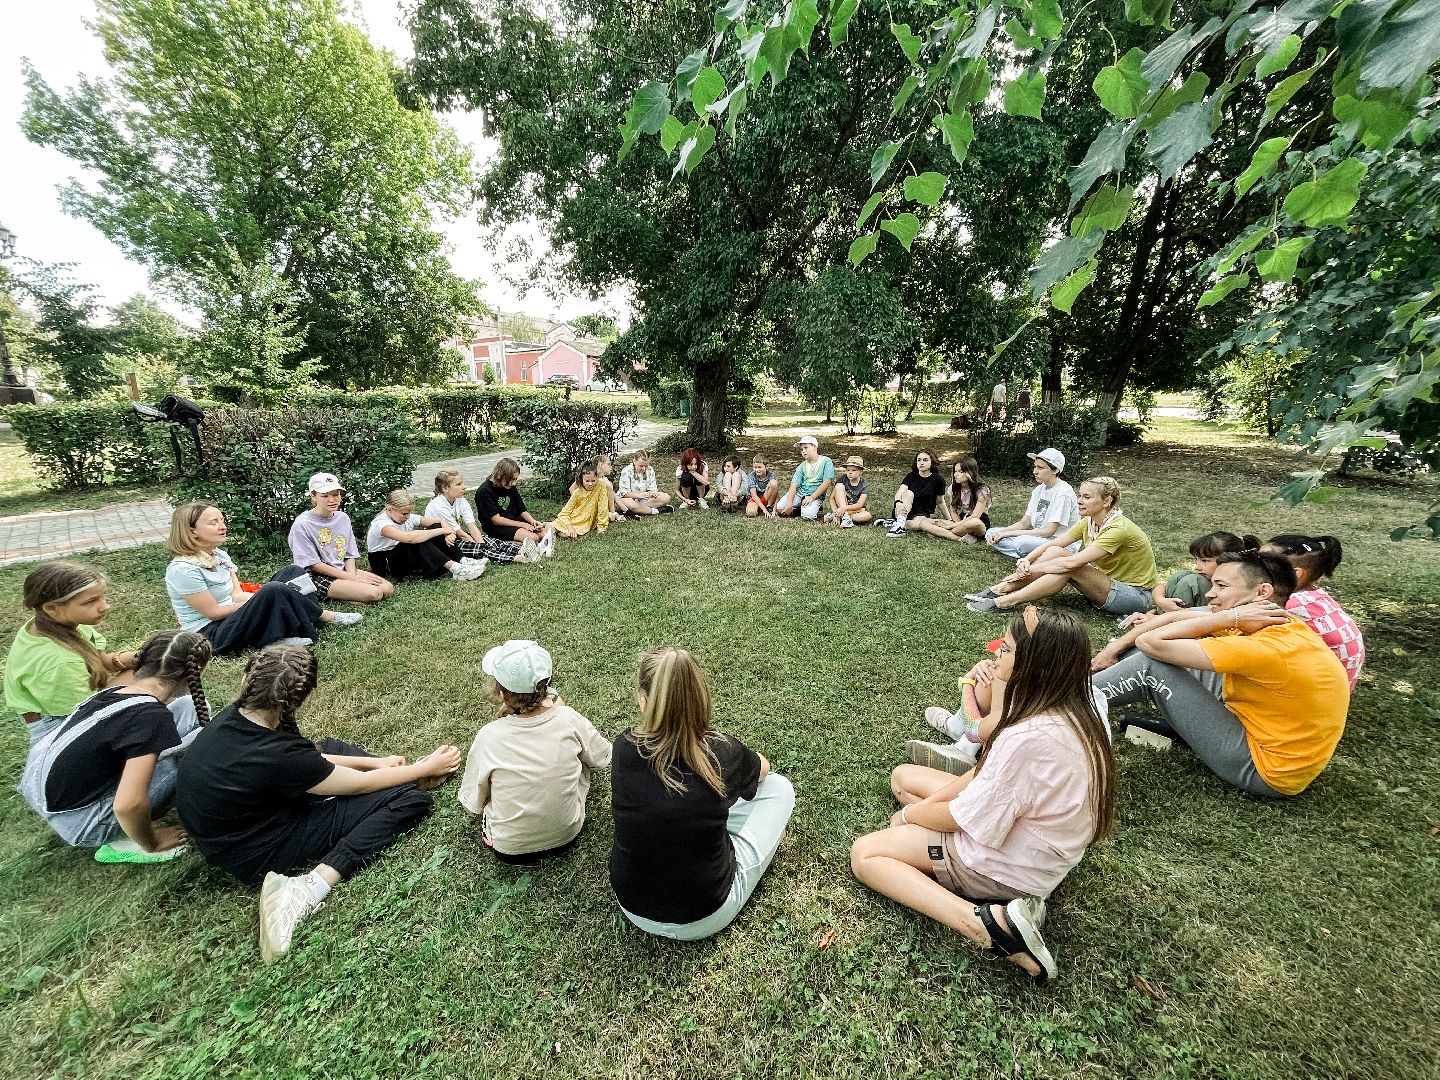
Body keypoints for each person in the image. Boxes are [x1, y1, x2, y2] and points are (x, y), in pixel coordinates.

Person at [850, 607, 1116, 984]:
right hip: (1041, 846)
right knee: (904, 778)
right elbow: (981, 772)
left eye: (1005, 650)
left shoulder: (1029, 737)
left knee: (867, 852)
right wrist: (925, 807)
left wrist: (912, 817)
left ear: (1033, 663)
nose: (996, 655)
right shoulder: (1070, 710)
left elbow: (963, 818)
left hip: (1010, 867)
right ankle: (1009, 907)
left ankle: (986, 925)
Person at [175, 645, 462, 963]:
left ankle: (398, 779)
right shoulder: (278, 755)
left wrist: (378, 763)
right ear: (298, 698)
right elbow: (356, 785)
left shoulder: (235, 717)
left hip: (232, 829)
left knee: (333, 750)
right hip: (258, 849)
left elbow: (309, 759)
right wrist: (424, 768)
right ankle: (309, 887)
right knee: (410, 801)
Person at [1091, 552, 1349, 797]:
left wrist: (1229, 617)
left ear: (1262, 592)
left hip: (1263, 770)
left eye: (1221, 586)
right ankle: (1077, 689)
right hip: (1251, 726)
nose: (1209, 594)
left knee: (1152, 665)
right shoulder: (1273, 622)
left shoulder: (1266, 646)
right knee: (1157, 654)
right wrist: (1115, 649)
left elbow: (1150, 642)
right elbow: (1173, 620)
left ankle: (1063, 695)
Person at [609, 647, 796, 940]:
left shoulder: (622, 747)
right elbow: (763, 770)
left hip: (632, 905)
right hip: (706, 913)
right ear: (700, 698)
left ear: (644, 700)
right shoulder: (723, 752)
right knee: (780, 789)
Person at [20, 629, 212, 864]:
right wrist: (152, 842)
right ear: (196, 671)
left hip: (45, 793)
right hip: (83, 823)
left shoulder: (116, 690)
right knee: (189, 759)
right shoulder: (151, 718)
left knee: (187, 708)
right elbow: (128, 804)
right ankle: (126, 840)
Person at [458, 640, 612, 863]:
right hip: (567, 835)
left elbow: (473, 802)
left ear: (501, 694)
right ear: (547, 687)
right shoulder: (568, 718)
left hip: (508, 849)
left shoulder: (488, 736)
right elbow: (603, 756)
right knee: (581, 763)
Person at [166, 503, 361, 655]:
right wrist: (260, 600)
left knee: (293, 572)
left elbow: (236, 594)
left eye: (222, 520)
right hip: (212, 633)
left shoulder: (219, 555)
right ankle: (320, 616)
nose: (222, 526)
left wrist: (257, 599)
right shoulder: (183, 569)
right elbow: (214, 613)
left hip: (233, 616)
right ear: (191, 531)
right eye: (213, 522)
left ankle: (296, 624)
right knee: (273, 589)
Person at [909, 633, 1111, 775]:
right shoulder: (1068, 691)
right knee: (995, 673)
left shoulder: (1034, 711)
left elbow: (974, 729)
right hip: (1071, 802)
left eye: (1004, 649)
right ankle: (956, 729)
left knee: (904, 779)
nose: (996, 653)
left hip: (1028, 798)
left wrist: (970, 680)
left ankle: (964, 749)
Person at [967, 477, 1157, 619]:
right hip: (1109, 584)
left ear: (1106, 502)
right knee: (1055, 552)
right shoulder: (1089, 522)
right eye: (1079, 495)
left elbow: (1072, 563)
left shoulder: (1118, 529)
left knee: (1070, 567)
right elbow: (1053, 544)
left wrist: (1031, 569)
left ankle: (1004, 602)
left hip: (1135, 597)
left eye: (1087, 497)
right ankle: (1001, 589)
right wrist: (1026, 560)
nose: (1079, 500)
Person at [6, 562, 140, 746]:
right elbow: (93, 713)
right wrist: (150, 672)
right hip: (61, 728)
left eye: (102, 597)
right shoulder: (58, 662)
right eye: (91, 601)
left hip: (81, 709)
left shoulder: (52, 623)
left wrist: (140, 657)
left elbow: (102, 660)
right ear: (52, 608)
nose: (105, 606)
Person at [1261, 534, 1365, 688]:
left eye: (1262, 562)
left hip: (1314, 692)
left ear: (1296, 573)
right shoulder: (1313, 596)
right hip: (1332, 690)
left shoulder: (1291, 605)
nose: (1252, 566)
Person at [288, 472, 394, 604]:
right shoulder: (302, 523)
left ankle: (347, 594)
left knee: (387, 589)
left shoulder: (342, 518)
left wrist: (352, 575)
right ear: (313, 496)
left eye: (335, 494)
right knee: (375, 593)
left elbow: (349, 553)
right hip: (315, 575)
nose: (332, 500)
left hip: (341, 569)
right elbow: (313, 564)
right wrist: (351, 578)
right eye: (325, 496)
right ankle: (335, 597)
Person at [365, 490, 487, 582]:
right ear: (389, 509)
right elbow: (409, 538)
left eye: (409, 513)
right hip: (385, 564)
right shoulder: (381, 524)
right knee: (414, 540)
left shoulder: (406, 517)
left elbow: (438, 522)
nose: (408, 516)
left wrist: (447, 532)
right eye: (404, 513)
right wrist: (442, 530)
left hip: (401, 556)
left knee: (433, 528)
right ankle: (456, 568)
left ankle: (462, 560)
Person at [983, 448, 1080, 559]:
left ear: (1055, 470)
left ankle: (1034, 554)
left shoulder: (1063, 493)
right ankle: (1030, 555)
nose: (1035, 471)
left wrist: (1009, 534)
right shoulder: (1039, 489)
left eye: (1040, 468)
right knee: (991, 533)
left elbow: (1049, 531)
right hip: (1038, 538)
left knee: (1021, 542)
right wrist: (1001, 532)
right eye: (1035, 466)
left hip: (1058, 543)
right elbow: (1024, 523)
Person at [426, 468, 533, 564]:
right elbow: (462, 535)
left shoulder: (460, 500)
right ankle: (515, 558)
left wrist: (481, 543)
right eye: (458, 484)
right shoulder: (438, 506)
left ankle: (521, 550)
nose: (464, 487)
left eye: (462, 483)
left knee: (490, 540)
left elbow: (472, 527)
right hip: (443, 543)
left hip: (457, 536)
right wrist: (480, 546)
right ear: (445, 488)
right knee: (478, 549)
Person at [1158, 531, 1261, 612]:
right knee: (1180, 575)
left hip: (1194, 620)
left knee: (1191, 581)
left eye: (1205, 561)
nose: (1197, 567)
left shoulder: (1237, 583)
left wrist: (1158, 617)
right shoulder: (1202, 577)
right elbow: (1160, 586)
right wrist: (1160, 600)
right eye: (1196, 560)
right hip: (1170, 615)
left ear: (1227, 560)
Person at [473, 458, 553, 558]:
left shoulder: (510, 487)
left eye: (515, 479)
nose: (514, 483)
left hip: (514, 520)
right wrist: (523, 525)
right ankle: (503, 542)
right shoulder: (484, 491)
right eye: (511, 480)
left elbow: (521, 509)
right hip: (497, 527)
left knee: (543, 533)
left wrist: (533, 521)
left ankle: (530, 545)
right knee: (533, 538)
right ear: (500, 476)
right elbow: (496, 520)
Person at [881, 449, 951, 539]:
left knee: (922, 525)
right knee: (909, 493)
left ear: (932, 462)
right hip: (902, 509)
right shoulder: (911, 476)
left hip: (921, 514)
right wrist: (898, 504)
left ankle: (895, 524)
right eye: (919, 460)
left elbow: (940, 502)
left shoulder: (938, 480)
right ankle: (899, 526)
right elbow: (899, 494)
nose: (921, 463)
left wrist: (949, 519)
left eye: (925, 460)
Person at [776, 436, 835, 520]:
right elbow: (793, 485)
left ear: (814, 447)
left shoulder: (826, 461)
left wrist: (812, 497)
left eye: (806, 448)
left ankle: (808, 508)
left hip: (815, 496)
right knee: (780, 508)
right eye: (802, 449)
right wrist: (789, 503)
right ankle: (800, 507)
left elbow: (827, 482)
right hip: (800, 494)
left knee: (808, 516)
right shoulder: (802, 466)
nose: (803, 451)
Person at [940, 457, 993, 543]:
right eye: (955, 471)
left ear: (970, 473)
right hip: (961, 520)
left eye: (960, 472)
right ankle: (963, 537)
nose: (956, 475)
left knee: (974, 523)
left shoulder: (983, 490)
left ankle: (943, 533)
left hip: (978, 521)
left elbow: (975, 517)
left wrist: (949, 527)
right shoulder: (953, 488)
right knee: (924, 523)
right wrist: (958, 524)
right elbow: (953, 512)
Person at [554, 460, 610, 539]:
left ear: (597, 478)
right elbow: (565, 512)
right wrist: (570, 527)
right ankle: (552, 527)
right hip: (574, 517)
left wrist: (601, 528)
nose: (590, 484)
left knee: (571, 535)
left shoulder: (601, 485)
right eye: (587, 481)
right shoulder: (578, 492)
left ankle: (558, 531)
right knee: (554, 528)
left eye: (593, 481)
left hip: (586, 521)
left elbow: (603, 507)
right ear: (582, 479)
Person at [617, 450, 674, 517]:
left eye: (646, 466)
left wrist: (653, 493)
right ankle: (655, 511)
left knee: (665, 497)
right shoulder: (626, 471)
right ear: (634, 461)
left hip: (643, 500)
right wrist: (640, 495)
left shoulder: (650, 470)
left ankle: (638, 510)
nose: (644, 469)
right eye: (641, 466)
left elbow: (653, 488)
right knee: (630, 503)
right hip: (629, 499)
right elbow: (624, 493)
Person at [826, 456, 872, 527]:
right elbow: (832, 498)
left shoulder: (865, 485)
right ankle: (845, 518)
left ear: (860, 471)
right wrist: (836, 511)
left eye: (853, 470)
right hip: (841, 507)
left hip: (854, 510)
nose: (850, 473)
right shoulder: (843, 479)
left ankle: (839, 516)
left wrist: (843, 509)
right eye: (848, 470)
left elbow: (859, 504)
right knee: (839, 485)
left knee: (867, 516)